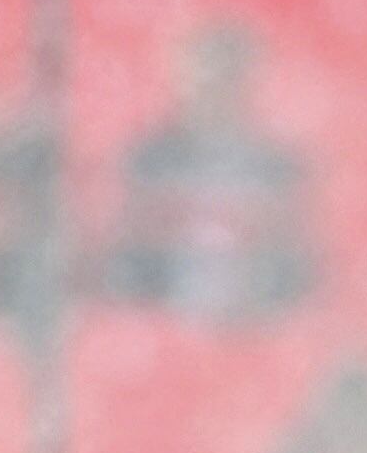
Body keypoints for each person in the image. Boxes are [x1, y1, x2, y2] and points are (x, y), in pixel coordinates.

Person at [97, 18, 317, 326]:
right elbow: (122, 264)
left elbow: (300, 273)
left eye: (226, 76)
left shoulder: (276, 169)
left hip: (255, 340)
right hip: (160, 338)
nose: (214, 90)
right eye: (205, 76)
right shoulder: (149, 163)